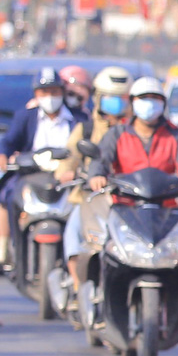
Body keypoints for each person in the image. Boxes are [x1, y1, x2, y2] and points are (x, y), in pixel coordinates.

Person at [0, 68, 82, 269]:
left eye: (54, 91)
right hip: (31, 175)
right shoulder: (26, 116)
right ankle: (11, 247)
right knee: (8, 194)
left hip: (67, 178)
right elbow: (8, 141)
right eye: (44, 92)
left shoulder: (77, 120)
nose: (50, 97)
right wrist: (1, 155)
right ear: (36, 94)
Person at [59, 67, 133, 310]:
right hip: (90, 199)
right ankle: (79, 287)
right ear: (99, 98)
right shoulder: (87, 129)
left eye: (123, 98)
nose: (117, 103)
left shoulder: (136, 131)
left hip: (127, 202)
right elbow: (70, 157)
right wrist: (67, 171)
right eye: (112, 97)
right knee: (74, 236)